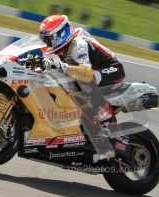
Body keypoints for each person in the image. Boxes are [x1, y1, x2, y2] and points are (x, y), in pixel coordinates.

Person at [39, 15, 125, 162]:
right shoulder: (62, 47)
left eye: (49, 39)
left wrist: (61, 66)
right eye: (44, 39)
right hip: (89, 72)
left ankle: (108, 124)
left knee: (85, 82)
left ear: (61, 35)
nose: (47, 43)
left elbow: (85, 73)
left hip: (111, 70)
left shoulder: (78, 43)